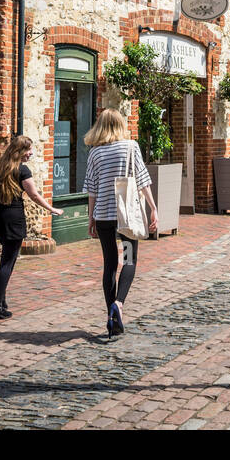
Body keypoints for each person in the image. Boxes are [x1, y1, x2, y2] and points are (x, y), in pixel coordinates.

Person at [84, 109, 156, 337]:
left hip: (104, 216)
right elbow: (143, 180)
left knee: (109, 264)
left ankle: (111, 317)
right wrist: (153, 208)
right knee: (129, 260)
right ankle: (120, 305)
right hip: (126, 217)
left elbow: (91, 188)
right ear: (120, 125)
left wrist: (90, 216)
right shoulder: (130, 146)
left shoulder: (95, 153)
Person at [0, 135, 63, 321]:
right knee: (7, 263)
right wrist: (52, 209)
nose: (31, 153)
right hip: (13, 220)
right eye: (28, 150)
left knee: (6, 259)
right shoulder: (22, 170)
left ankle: (1, 302)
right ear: (19, 152)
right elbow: (34, 195)